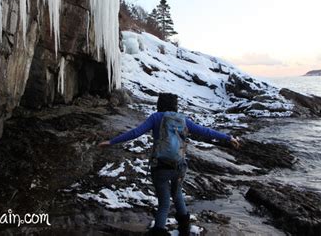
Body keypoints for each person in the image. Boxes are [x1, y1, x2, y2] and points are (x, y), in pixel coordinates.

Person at [98, 93, 240, 236]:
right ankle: (184, 229)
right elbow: (206, 131)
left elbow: (135, 132)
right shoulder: (183, 120)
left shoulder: (156, 117)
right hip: (179, 167)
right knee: (177, 194)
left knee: (164, 203)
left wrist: (111, 142)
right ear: (175, 105)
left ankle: (159, 231)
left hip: (160, 167)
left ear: (160, 104)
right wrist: (228, 137)